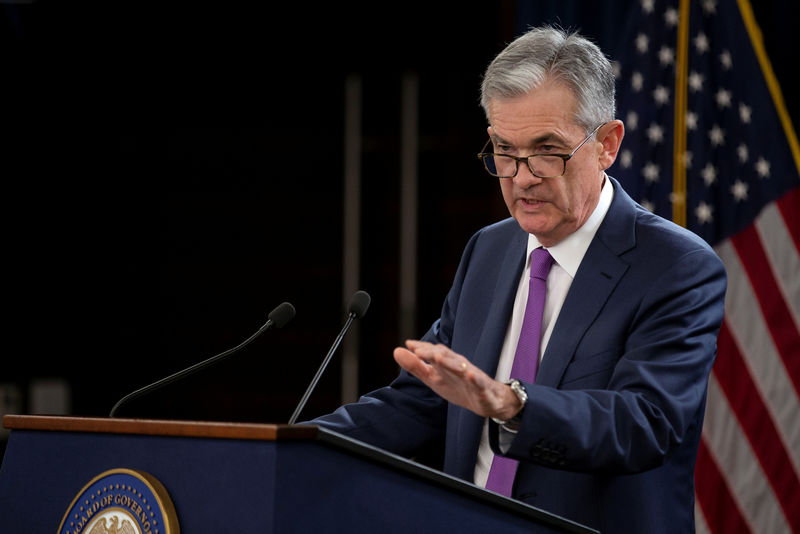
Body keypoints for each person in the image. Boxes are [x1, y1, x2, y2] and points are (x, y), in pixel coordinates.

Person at [313, 25, 726, 534]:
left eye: (547, 150)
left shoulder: (677, 266)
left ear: (607, 144)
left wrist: (513, 405)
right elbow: (427, 400)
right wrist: (286, 447)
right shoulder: (490, 248)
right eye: (504, 150)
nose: (522, 176)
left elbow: (642, 424)